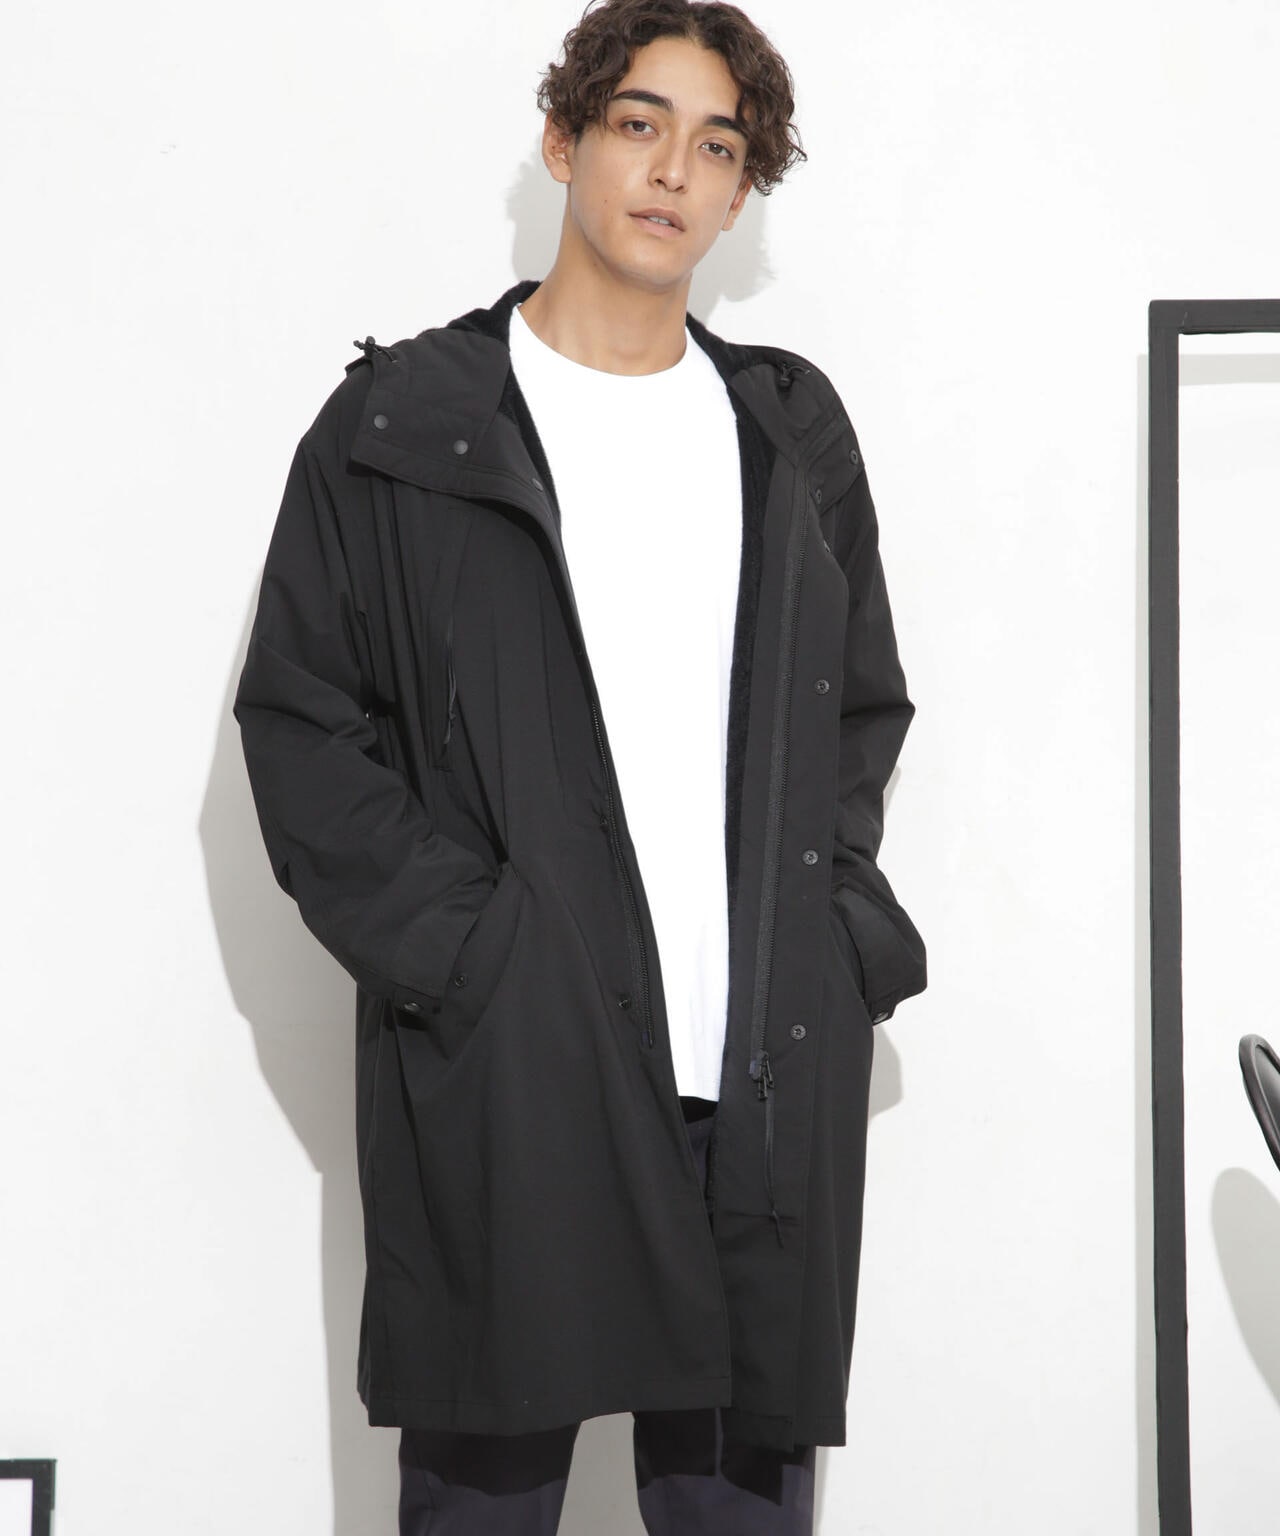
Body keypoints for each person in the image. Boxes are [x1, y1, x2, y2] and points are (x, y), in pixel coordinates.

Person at [234, 0, 927, 1530]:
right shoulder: (407, 425)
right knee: (482, 1501)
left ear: (742, 192)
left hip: (750, 1086)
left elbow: (857, 712)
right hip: (517, 1070)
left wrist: (826, 930)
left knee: (738, 1509)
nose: (675, 169)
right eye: (638, 124)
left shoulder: (789, 433)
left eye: (718, 145)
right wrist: (474, 959)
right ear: (563, 140)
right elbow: (301, 720)